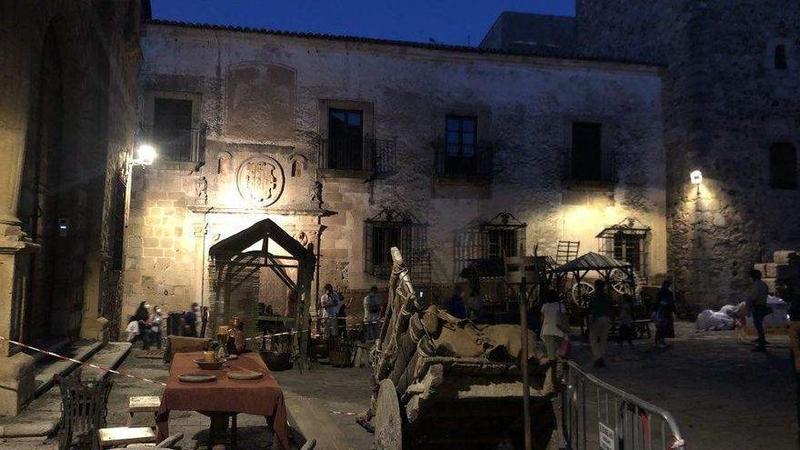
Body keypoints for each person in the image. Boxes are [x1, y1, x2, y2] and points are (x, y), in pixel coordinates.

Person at [588, 279, 611, 368]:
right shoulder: (607, 296)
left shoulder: (593, 296)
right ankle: (601, 357)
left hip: (596, 318)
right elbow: (610, 307)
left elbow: (591, 308)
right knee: (603, 340)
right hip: (606, 318)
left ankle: (597, 357)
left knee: (593, 339)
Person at [540, 289, 567, 361]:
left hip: (547, 331)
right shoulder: (561, 306)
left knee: (550, 353)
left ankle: (552, 368)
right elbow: (564, 318)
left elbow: (542, 319)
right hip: (559, 331)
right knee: (559, 350)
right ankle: (561, 362)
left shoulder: (544, 306)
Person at [747, 269, 770, 352]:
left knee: (758, 325)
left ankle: (761, 344)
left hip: (758, 306)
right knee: (759, 324)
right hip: (762, 305)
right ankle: (761, 339)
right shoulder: (763, 284)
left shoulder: (756, 285)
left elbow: (753, 297)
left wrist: (749, 306)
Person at [653, 280, 675, 348]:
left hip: (666, 312)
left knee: (664, 328)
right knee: (661, 327)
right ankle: (659, 341)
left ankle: (661, 341)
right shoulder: (662, 292)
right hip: (662, 312)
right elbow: (658, 302)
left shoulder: (667, 292)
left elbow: (671, 302)